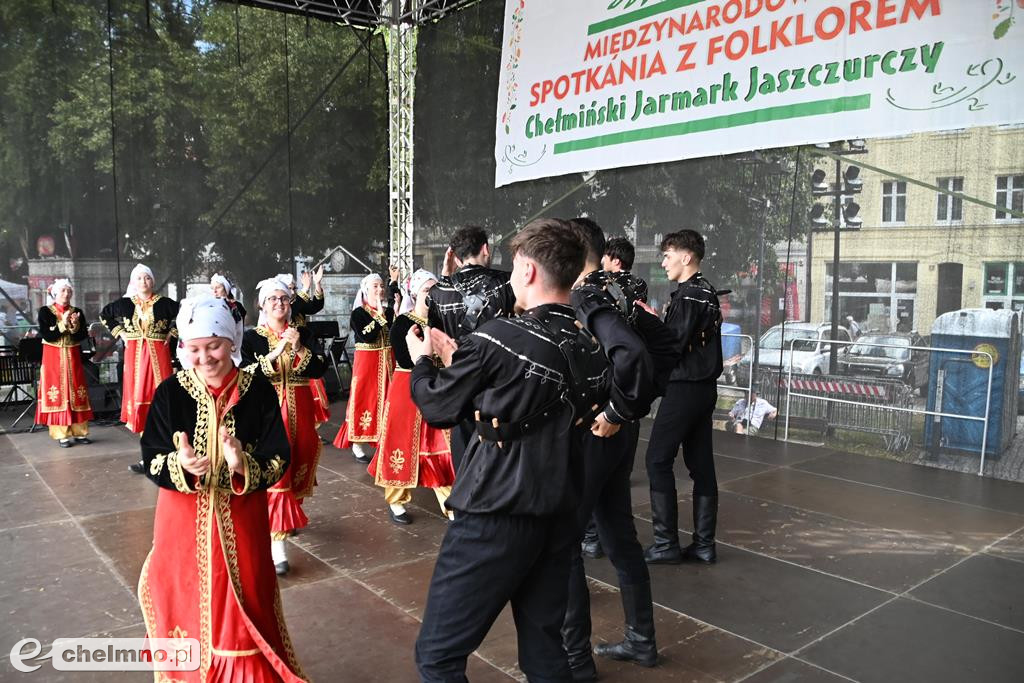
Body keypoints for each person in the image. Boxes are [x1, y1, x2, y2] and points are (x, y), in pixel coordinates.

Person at [409, 218, 609, 683]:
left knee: (437, 656)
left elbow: (438, 405)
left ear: (528, 271)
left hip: (496, 508)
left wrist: (424, 360)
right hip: (559, 511)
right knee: (544, 651)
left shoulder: (502, 337)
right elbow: (525, 397)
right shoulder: (590, 348)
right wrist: (465, 360)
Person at [138, 295, 306, 682]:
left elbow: (278, 456)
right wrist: (179, 464)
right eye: (194, 349)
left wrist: (242, 464)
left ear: (233, 341)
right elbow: (152, 457)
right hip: (182, 521)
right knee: (184, 594)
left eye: (213, 345)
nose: (205, 357)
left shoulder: (257, 391)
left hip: (241, 518)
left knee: (243, 597)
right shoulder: (170, 393)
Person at [563, 219, 679, 679]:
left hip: (594, 429)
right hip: (616, 432)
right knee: (619, 538)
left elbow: (634, 352)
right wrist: (632, 408)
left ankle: (575, 661)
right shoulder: (622, 290)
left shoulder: (584, 294)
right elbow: (666, 347)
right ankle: (641, 640)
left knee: (566, 544)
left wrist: (615, 410)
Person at [642, 230, 724, 566]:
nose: (663, 262)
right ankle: (704, 545)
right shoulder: (706, 292)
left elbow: (671, 346)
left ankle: (666, 544)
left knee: (656, 459)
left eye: (668, 254)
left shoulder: (689, 296)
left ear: (686, 256)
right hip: (704, 389)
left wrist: (649, 324)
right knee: (701, 465)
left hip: (685, 387)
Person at [242, 277, 328, 576]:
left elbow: (320, 367)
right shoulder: (252, 338)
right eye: (272, 299)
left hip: (301, 409)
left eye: (283, 298)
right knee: (276, 473)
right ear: (262, 305)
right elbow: (247, 374)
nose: (279, 303)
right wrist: (275, 354)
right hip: (268, 413)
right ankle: (276, 546)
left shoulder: (303, 332)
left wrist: (299, 346)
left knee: (301, 460)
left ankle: (285, 520)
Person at [367, 269, 455, 526]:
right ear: (416, 292)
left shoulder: (442, 320)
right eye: (428, 290)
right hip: (407, 389)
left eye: (435, 290)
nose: (432, 296)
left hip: (439, 386)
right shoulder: (403, 323)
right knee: (402, 444)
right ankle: (396, 499)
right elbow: (406, 358)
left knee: (443, 446)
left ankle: (451, 505)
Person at [425, 225, 516, 471]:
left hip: (458, 377)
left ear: (455, 256)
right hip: (499, 381)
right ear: (485, 249)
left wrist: (445, 278)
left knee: (464, 453)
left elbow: (433, 334)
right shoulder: (506, 282)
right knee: (500, 453)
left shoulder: (437, 292)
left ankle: (464, 503)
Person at [101, 264, 179, 471]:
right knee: (139, 400)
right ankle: (149, 457)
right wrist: (122, 333)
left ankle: (166, 455)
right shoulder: (125, 304)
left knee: (160, 398)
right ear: (133, 282)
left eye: (147, 278)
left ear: (152, 281)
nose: (144, 282)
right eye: (139, 278)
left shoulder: (165, 303)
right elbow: (104, 314)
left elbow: (187, 314)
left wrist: (173, 333)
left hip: (158, 358)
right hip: (135, 357)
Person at [333, 274, 395, 464]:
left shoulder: (389, 311)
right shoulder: (359, 313)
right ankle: (358, 443)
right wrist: (379, 316)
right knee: (364, 398)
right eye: (375, 286)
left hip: (386, 361)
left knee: (386, 398)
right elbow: (367, 335)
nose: (379, 289)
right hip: (367, 361)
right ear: (366, 290)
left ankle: (383, 441)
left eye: (382, 286)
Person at [36, 279, 94, 447]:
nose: (66, 294)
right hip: (53, 357)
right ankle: (62, 434)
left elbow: (81, 335)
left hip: (72, 355)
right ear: (55, 293)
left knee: (76, 390)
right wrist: (63, 323)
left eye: (69, 291)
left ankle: (80, 431)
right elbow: (48, 335)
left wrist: (75, 325)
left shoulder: (77, 311)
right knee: (58, 392)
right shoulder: (45, 311)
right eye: (63, 291)